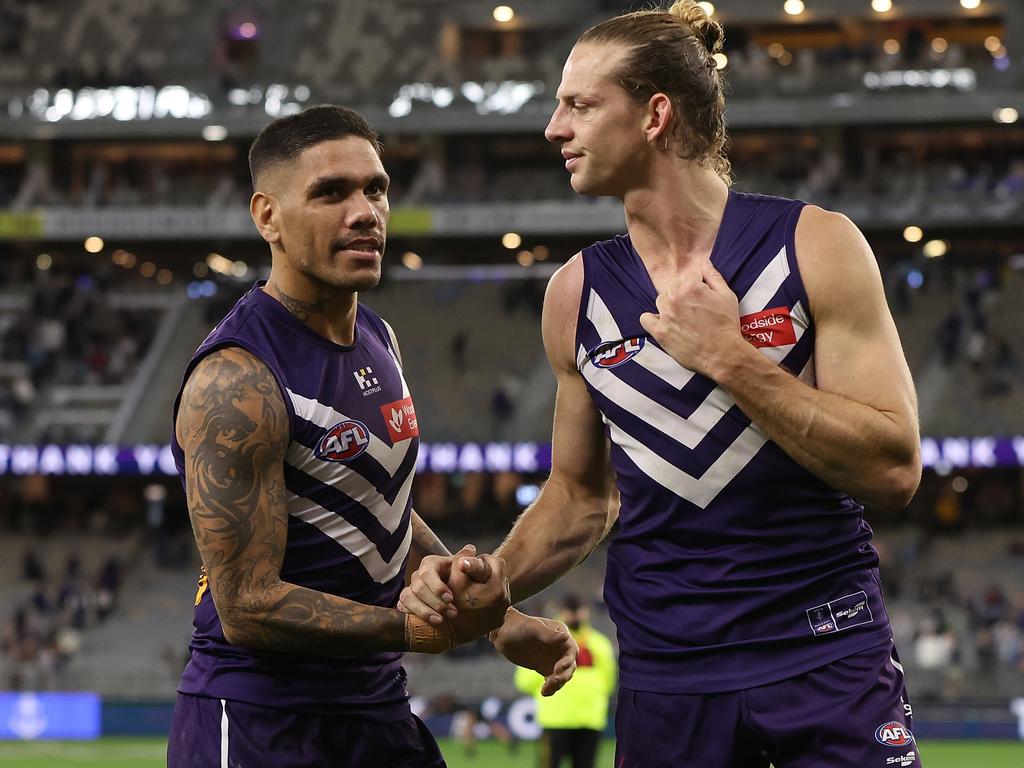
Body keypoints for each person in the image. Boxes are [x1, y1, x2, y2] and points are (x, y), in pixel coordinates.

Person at [399, 3, 924, 767]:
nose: (554, 127)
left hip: (825, 658)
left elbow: (895, 468)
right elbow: (582, 497)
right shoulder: (575, 295)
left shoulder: (816, 245)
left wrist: (731, 356)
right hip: (667, 681)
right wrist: (496, 578)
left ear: (654, 115)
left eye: (579, 104)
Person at [167, 105, 577, 768]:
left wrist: (497, 619)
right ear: (267, 216)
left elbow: (376, 506)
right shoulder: (235, 380)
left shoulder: (379, 338)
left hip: (377, 705)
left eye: (376, 189)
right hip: (259, 720)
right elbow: (245, 607)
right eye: (331, 193)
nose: (365, 212)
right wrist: (420, 629)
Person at [514, 595, 616, 768]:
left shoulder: (598, 644)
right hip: (557, 721)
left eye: (577, 611)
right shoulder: (549, 641)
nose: (575, 616)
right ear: (562, 612)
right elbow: (524, 680)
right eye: (572, 611)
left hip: (586, 721)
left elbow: (608, 680)